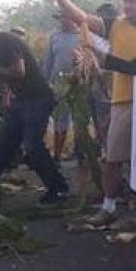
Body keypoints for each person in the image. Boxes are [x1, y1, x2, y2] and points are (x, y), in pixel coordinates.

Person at [55, 0, 136, 229]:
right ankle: (109, 208)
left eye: (132, 1)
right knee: (113, 157)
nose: (126, 7)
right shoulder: (116, 25)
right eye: (125, 1)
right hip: (124, 99)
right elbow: (82, 17)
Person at [0, 9, 69, 205]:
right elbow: (2, 75)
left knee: (32, 146)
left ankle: (58, 189)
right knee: (2, 142)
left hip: (38, 98)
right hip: (21, 100)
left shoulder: (7, 41)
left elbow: (18, 72)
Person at [45, 10, 84, 162]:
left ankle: (80, 153)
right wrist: (46, 82)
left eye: (65, 18)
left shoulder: (83, 35)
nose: (62, 21)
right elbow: (49, 61)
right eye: (60, 18)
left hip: (79, 83)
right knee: (60, 119)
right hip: (59, 84)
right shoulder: (55, 36)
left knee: (79, 119)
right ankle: (57, 155)